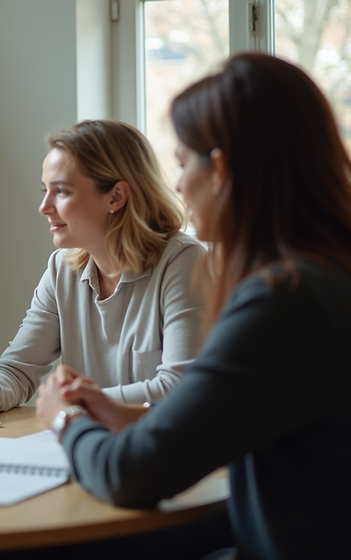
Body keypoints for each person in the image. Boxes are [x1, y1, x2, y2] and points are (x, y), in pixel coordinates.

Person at [36, 53, 351, 559]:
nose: (178, 185)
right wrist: (125, 414)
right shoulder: (325, 275)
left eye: (184, 163)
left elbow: (132, 475)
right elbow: (222, 419)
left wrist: (64, 421)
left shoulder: (284, 302)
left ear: (221, 169)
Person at [0, 120, 206, 416]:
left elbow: (181, 387)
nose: (44, 206)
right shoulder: (62, 268)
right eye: (45, 190)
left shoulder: (184, 262)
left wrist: (73, 403)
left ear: (116, 196)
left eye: (61, 192)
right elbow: (19, 367)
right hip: (91, 446)